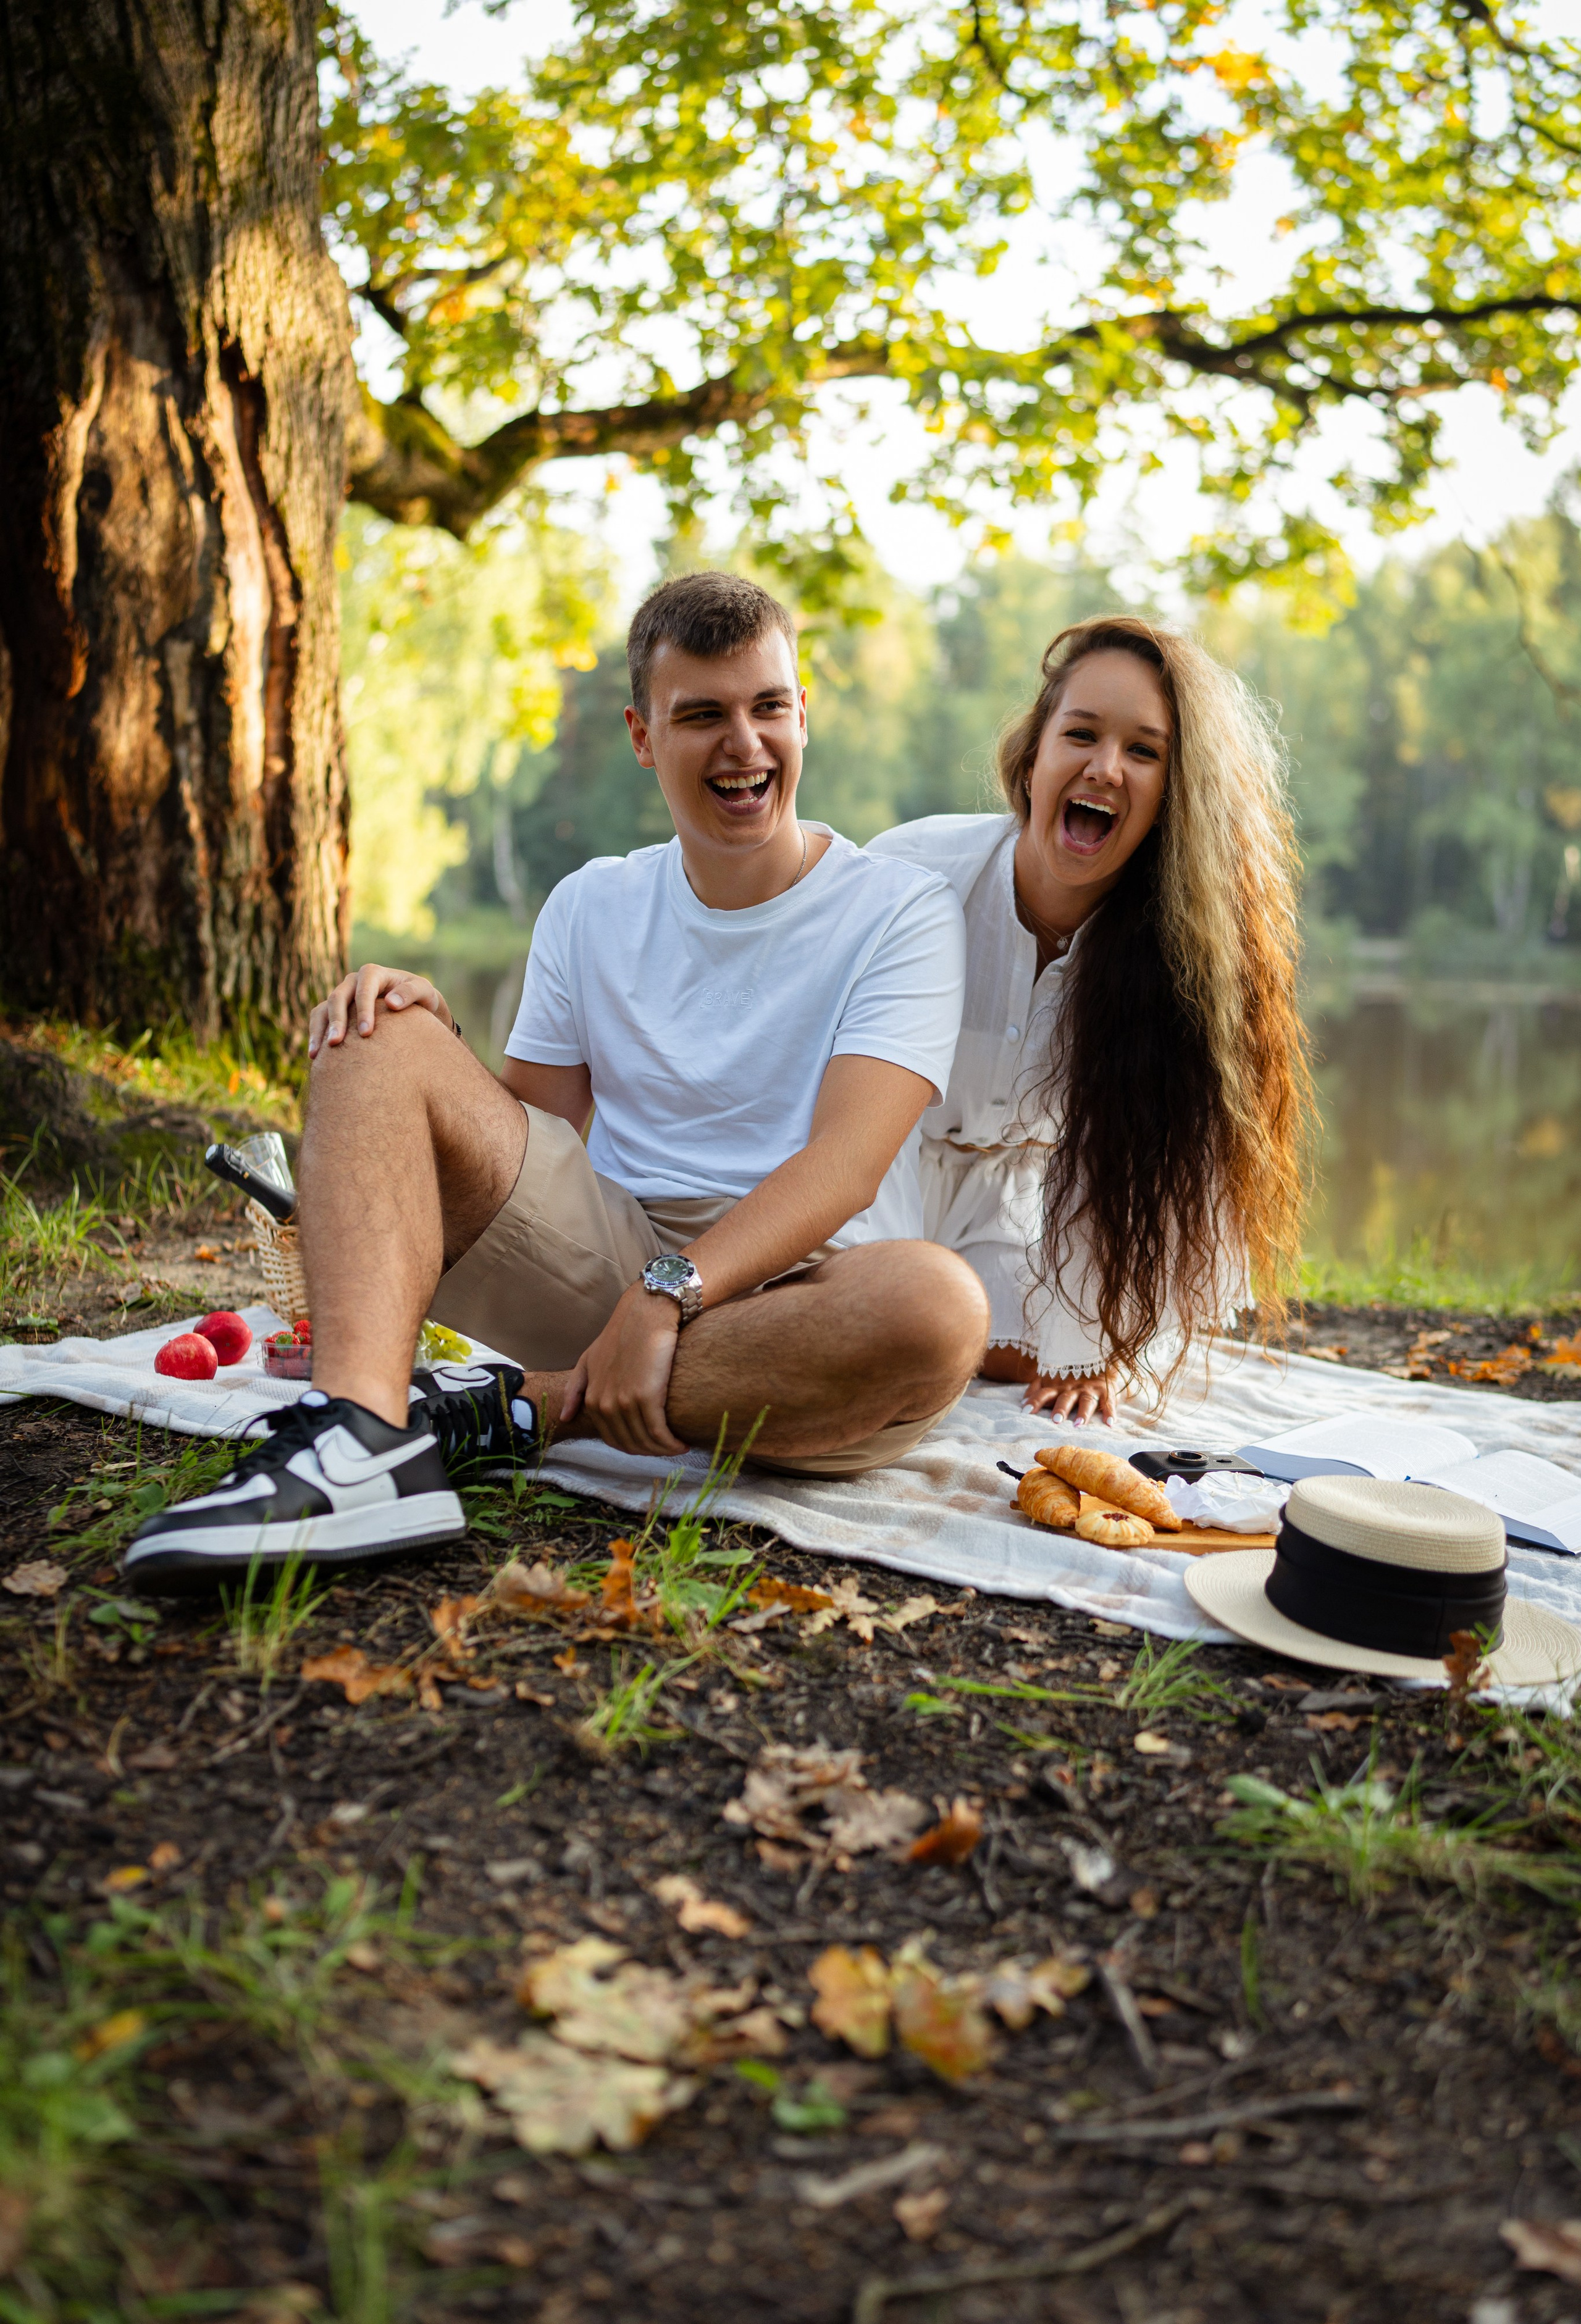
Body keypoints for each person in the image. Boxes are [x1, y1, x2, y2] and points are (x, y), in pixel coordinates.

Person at [128, 572, 988, 1579]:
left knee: (939, 1311)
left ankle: (528, 1407)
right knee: (377, 1025)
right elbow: (525, 1144)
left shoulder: (901, 911)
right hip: (608, 1257)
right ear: (641, 735)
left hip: (810, 1300)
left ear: (804, 714)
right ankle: (358, 1436)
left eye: (766, 708)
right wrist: (428, 1048)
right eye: (701, 715)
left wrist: (668, 1299)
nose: (743, 745)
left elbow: (845, 1169)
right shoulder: (592, 904)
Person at [868, 614, 1311, 1425]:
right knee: (897, 1323)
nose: (1106, 767)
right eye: (1081, 734)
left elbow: (1125, 1172)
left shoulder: (1181, 954)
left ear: (1174, 798)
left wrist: (1088, 1335)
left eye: (1144, 751)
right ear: (1033, 758)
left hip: (1004, 1219)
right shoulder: (910, 876)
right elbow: (834, 1104)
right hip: (865, 1178)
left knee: (1063, 1349)